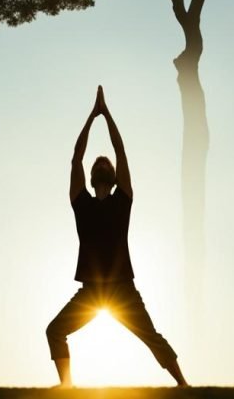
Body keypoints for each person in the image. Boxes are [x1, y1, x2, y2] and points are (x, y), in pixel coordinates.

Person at [45, 85, 189, 388]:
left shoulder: (123, 200)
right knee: (55, 330)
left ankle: (183, 385)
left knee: (152, 337)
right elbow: (75, 159)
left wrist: (106, 114)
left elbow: (121, 152)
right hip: (92, 292)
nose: (101, 163)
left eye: (104, 163)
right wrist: (91, 116)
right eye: (98, 163)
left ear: (110, 176)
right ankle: (66, 387)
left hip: (123, 290)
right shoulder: (80, 202)